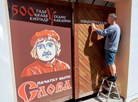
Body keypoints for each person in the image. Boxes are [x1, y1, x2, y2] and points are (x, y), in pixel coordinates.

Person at [91, 13, 121, 82]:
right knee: (111, 62)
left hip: (110, 49)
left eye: (108, 18)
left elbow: (103, 33)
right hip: (113, 48)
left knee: (111, 63)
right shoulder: (117, 27)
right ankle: (113, 76)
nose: (107, 19)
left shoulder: (112, 27)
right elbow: (119, 37)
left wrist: (94, 28)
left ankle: (113, 77)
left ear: (112, 19)